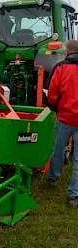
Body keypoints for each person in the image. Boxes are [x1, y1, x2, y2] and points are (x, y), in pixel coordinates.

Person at [47, 40, 78, 206]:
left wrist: (55, 108)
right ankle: (74, 194)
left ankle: (52, 178)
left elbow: (52, 93)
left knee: (58, 149)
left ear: (67, 52)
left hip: (64, 117)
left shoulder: (60, 68)